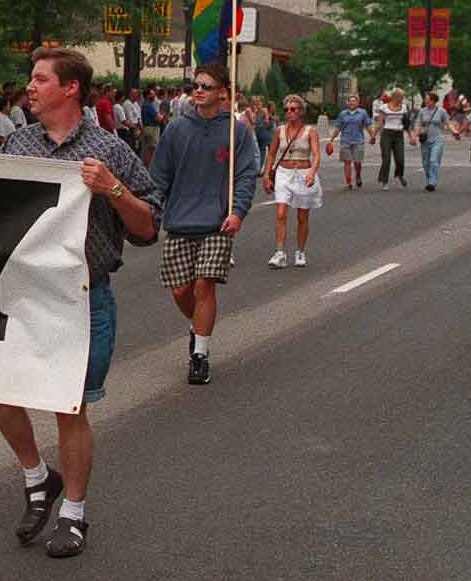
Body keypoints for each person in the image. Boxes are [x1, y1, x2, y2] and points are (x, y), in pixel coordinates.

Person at [0, 49, 159, 558]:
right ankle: (38, 477)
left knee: (70, 405)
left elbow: (148, 227)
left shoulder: (111, 149)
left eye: (40, 79)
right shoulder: (16, 145)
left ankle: (74, 514)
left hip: (83, 296)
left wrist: (113, 189)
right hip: (22, 293)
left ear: (71, 89)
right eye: (31, 78)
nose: (30, 87)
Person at [148, 62, 258, 387]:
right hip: (179, 222)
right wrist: (151, 212)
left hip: (216, 223)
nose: (198, 90)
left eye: (206, 86)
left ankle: (200, 356)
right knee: (181, 290)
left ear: (223, 93)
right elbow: (158, 177)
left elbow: (245, 176)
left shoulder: (237, 131)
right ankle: (198, 326)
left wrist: (237, 212)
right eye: (196, 85)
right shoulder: (175, 130)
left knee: (203, 285)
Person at [263, 95, 321, 268]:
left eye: (293, 109)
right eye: (287, 109)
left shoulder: (310, 131)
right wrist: (266, 175)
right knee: (281, 213)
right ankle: (280, 253)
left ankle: (300, 251)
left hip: (303, 173)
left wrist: (312, 173)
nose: (289, 112)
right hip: (283, 173)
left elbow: (317, 155)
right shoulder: (279, 130)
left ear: (301, 111)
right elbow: (272, 154)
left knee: (302, 216)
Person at [370, 89, 412, 189]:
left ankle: (399, 174)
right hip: (387, 135)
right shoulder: (384, 107)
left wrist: (411, 137)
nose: (402, 99)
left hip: (399, 135)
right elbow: (379, 123)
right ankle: (384, 181)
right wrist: (373, 136)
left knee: (400, 159)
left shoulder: (404, 107)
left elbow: (406, 124)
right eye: (401, 97)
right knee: (386, 159)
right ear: (395, 97)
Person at [326, 94, 370, 191]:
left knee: (357, 162)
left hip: (358, 141)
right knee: (347, 162)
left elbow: (367, 125)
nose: (352, 103)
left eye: (354, 101)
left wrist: (373, 136)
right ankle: (348, 182)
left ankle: (358, 176)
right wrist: (331, 139)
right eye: (350, 101)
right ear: (347, 103)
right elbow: (338, 127)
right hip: (345, 141)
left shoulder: (363, 113)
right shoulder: (343, 114)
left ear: (358, 103)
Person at [415, 92, 449, 192]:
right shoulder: (422, 111)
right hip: (425, 140)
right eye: (425, 99)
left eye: (427, 99)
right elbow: (418, 124)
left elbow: (448, 123)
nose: (425, 101)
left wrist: (455, 132)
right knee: (425, 162)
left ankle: (432, 182)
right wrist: (414, 135)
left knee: (433, 160)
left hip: (438, 139)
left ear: (433, 101)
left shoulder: (441, 111)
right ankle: (429, 179)